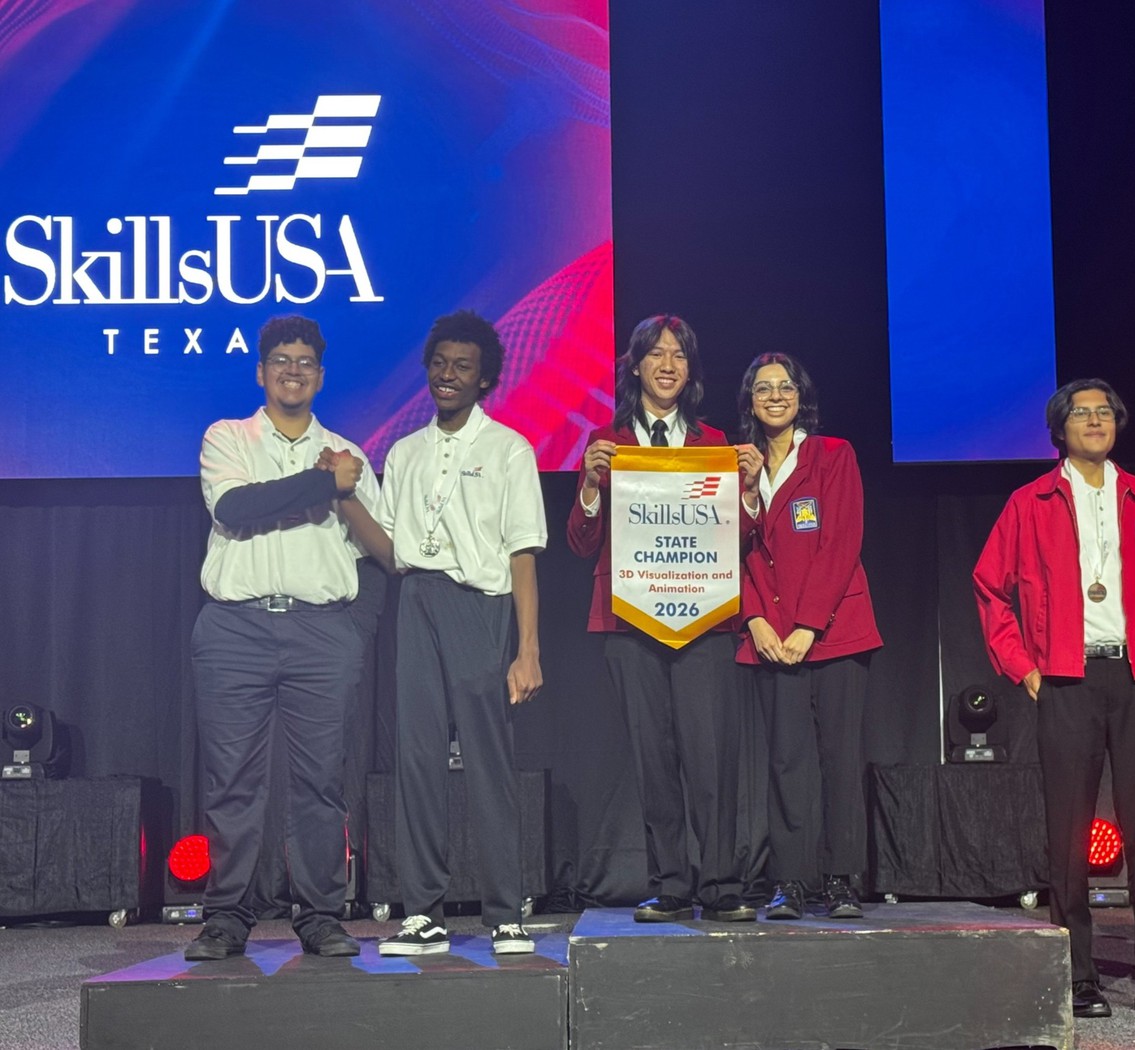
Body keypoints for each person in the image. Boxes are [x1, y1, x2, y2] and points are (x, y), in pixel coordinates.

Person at [972, 379, 1135, 1018]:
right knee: (1068, 832)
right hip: (1067, 679)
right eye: (1081, 412)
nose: (1095, 420)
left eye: (1104, 411)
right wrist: (1022, 666)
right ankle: (1077, 976)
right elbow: (990, 588)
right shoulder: (1030, 501)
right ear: (1060, 429)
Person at [349, 310, 546, 957]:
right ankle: (423, 913)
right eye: (439, 364)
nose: (447, 375)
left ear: (485, 378)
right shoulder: (404, 452)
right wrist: (343, 498)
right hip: (416, 601)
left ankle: (505, 911)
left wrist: (527, 649)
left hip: (480, 605)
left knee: (487, 759)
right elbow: (390, 551)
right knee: (417, 758)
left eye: (462, 366)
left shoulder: (509, 449)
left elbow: (522, 553)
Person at [186, 315, 378, 961]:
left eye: (304, 362)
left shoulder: (347, 453)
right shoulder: (228, 437)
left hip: (321, 629)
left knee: (321, 782)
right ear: (261, 372)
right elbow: (235, 508)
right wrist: (325, 484)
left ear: (320, 376)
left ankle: (320, 915)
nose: (293, 371)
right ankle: (225, 917)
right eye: (281, 361)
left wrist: (344, 489)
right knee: (232, 780)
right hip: (234, 626)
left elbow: (381, 547)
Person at [566, 314, 763, 923]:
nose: (668, 364)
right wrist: (590, 487)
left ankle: (721, 884)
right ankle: (671, 884)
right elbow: (580, 542)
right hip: (631, 622)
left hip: (705, 617)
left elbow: (740, 538)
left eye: (679, 355)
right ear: (635, 366)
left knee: (711, 757)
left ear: (690, 370)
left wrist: (749, 491)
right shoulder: (608, 441)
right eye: (656, 354)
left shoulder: (715, 443)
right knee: (653, 758)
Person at [734, 353, 882, 920]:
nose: (775, 395)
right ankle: (790, 882)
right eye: (763, 388)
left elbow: (841, 542)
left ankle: (841, 879)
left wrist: (808, 625)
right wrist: (754, 619)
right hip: (771, 638)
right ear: (750, 400)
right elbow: (729, 548)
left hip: (835, 631)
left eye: (785, 386)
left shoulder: (833, 455)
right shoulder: (738, 464)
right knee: (785, 763)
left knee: (839, 759)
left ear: (801, 397)